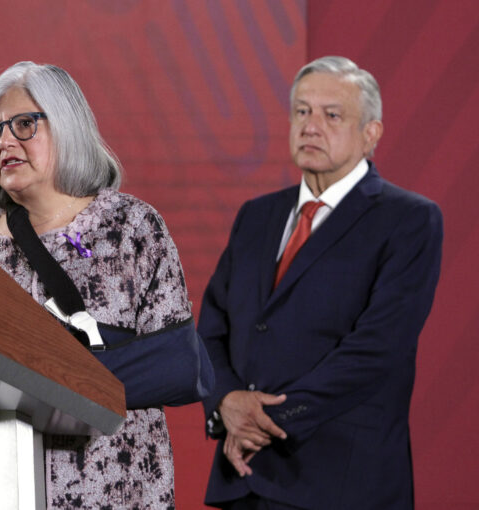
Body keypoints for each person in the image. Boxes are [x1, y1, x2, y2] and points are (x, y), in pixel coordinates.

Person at [0, 61, 203, 509]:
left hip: (114, 485)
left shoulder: (130, 226)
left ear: (66, 124)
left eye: (23, 124)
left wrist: (26, 382)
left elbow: (177, 367)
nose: (4, 141)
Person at [199, 56, 442, 509]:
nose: (311, 126)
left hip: (343, 482)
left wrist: (264, 421)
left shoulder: (409, 220)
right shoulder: (256, 216)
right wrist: (226, 402)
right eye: (302, 111)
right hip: (244, 480)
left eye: (332, 115)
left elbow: (377, 348)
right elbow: (212, 329)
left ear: (372, 133)